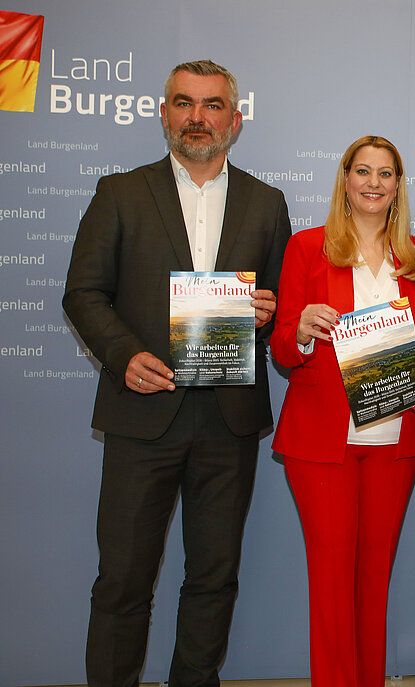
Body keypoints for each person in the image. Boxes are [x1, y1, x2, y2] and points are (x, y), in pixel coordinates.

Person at [63, 59, 291, 687]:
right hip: (143, 415)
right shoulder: (120, 192)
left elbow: (275, 303)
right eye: (184, 103)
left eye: (212, 105)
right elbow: (83, 293)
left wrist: (268, 313)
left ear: (235, 120)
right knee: (124, 579)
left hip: (229, 421)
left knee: (213, 576)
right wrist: (121, 354)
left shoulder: (267, 203)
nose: (198, 117)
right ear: (164, 114)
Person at [270, 135, 415, 687]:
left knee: (374, 577)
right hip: (322, 442)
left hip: (396, 437)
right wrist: (298, 330)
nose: (373, 183)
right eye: (362, 171)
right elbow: (280, 348)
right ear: (345, 180)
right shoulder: (306, 248)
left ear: (398, 186)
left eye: (385, 173)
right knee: (331, 580)